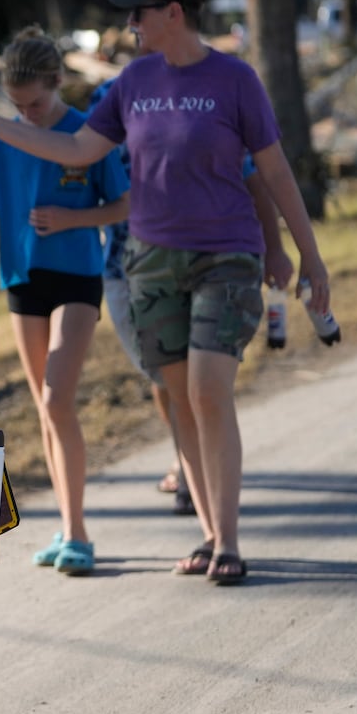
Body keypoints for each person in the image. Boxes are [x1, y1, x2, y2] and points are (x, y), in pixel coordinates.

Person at [0, 0, 330, 586]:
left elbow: (275, 172)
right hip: (151, 263)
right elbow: (76, 150)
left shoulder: (235, 81)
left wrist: (305, 255)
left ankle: (228, 541)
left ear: (173, 12)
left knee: (208, 387)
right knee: (179, 395)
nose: (130, 24)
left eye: (139, 12)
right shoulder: (132, 83)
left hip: (225, 255)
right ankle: (209, 535)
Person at [88, 79, 295, 517]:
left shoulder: (200, 110)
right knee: (164, 379)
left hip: (204, 260)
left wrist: (277, 249)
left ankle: (204, 496)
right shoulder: (106, 103)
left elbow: (258, 178)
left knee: (198, 384)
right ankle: (191, 467)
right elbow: (75, 162)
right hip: (125, 270)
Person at [0, 27, 128, 575]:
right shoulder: (4, 141)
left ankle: (79, 534)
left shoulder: (88, 134)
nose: (27, 114)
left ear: (58, 82)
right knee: (44, 406)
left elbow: (124, 203)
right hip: (23, 281)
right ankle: (65, 526)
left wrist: (74, 218)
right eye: (16, 106)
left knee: (58, 397)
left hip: (78, 277)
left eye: (35, 102)